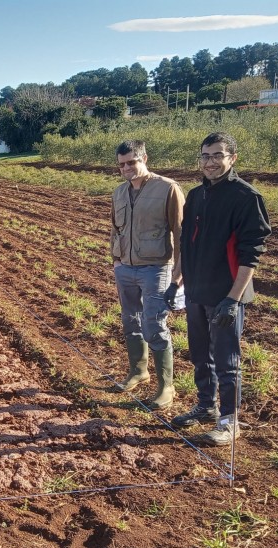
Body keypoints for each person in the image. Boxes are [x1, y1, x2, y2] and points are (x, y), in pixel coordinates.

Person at [169, 132, 271, 445]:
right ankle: (206, 406)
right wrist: (176, 281)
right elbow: (186, 242)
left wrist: (232, 299)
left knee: (227, 362)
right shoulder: (196, 195)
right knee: (200, 355)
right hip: (197, 291)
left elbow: (251, 253)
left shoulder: (245, 197)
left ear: (232, 158)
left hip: (226, 294)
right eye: (205, 156)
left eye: (217, 155)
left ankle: (229, 421)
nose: (210, 162)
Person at [110, 140, 184, 410]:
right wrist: (116, 260)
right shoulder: (119, 192)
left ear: (144, 158)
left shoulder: (167, 188)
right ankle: (138, 371)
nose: (126, 168)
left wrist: (179, 274)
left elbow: (181, 232)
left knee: (154, 324)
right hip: (125, 268)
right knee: (130, 321)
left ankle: (166, 387)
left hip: (156, 268)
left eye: (132, 162)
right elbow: (115, 229)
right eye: (122, 164)